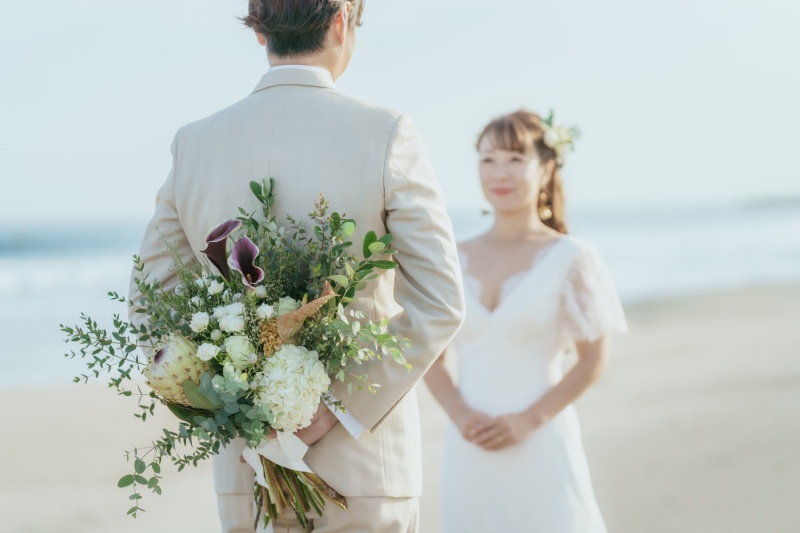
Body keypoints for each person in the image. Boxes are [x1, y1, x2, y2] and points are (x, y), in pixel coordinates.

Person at [128, 1, 465, 531]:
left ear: (259, 32)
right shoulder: (388, 133)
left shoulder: (194, 144)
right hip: (366, 471)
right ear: (339, 22)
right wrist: (332, 409)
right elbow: (441, 302)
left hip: (246, 470)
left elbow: (151, 304)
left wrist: (228, 405)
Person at [424, 110, 627, 532]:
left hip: (542, 439)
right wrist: (460, 414)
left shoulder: (571, 257)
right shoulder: (452, 258)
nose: (500, 173)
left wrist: (529, 419)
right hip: (469, 446)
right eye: (488, 159)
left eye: (516, 159)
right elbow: (431, 356)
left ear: (546, 166)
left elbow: (593, 360)